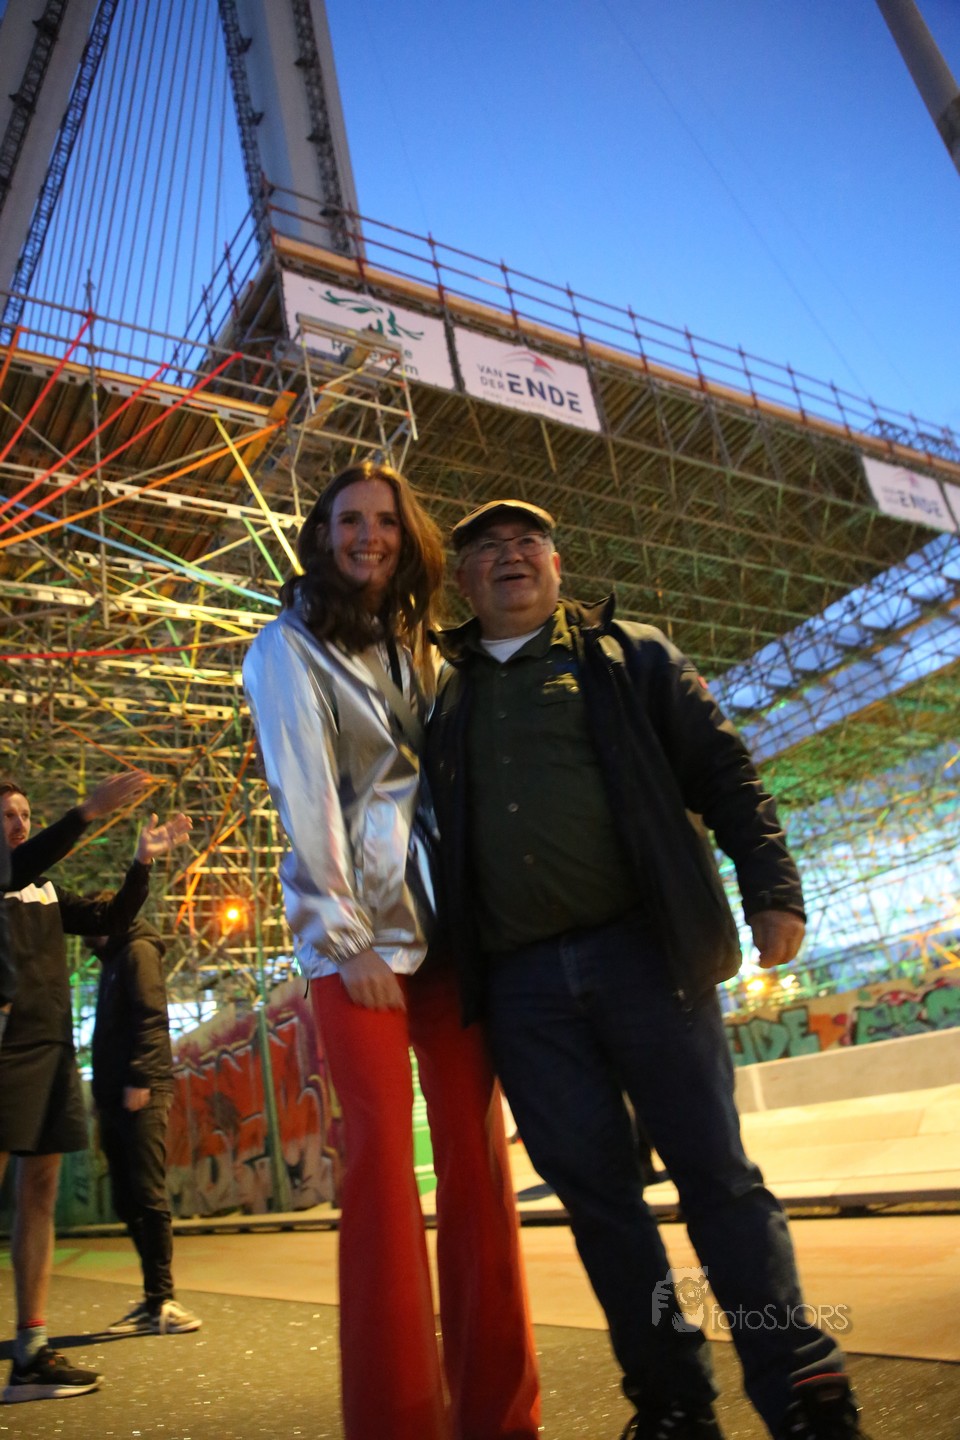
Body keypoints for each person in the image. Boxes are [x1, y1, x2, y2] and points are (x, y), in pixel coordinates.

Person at [424, 499, 868, 1440]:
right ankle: (672, 1405)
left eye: (529, 541)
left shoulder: (628, 655)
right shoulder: (444, 697)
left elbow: (724, 769)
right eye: (487, 548)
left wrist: (772, 888)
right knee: (600, 1206)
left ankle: (798, 1383)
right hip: (522, 991)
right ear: (462, 580)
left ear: (558, 565)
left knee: (718, 1178)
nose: (511, 556)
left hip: (644, 956)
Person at [243, 462, 540, 1440]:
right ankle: (397, 1421)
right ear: (322, 536)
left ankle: (502, 1416)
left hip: (452, 942)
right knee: (379, 1171)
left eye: (383, 520)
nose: (367, 535)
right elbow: (304, 793)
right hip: (359, 951)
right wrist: (346, 935)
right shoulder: (285, 648)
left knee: (479, 1167)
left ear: (407, 537)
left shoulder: (423, 650)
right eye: (348, 520)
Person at [0, 776, 191, 1404]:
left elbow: (111, 919)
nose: (20, 823)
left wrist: (141, 863)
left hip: (53, 1051)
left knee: (40, 1191)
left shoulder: (46, 891)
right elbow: (16, 864)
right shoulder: (8, 874)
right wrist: (85, 811)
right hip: (5, 1053)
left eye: (26, 814)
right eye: (8, 815)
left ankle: (31, 1353)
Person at [85, 917, 200, 1337]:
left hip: (141, 1090)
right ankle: (154, 1300)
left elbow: (151, 1017)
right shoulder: (113, 959)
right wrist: (101, 1094)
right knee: (125, 1200)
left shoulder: (138, 950)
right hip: (115, 1095)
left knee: (148, 1194)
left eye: (85, 923)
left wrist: (140, 1078)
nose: (81, 934)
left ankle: (163, 1300)